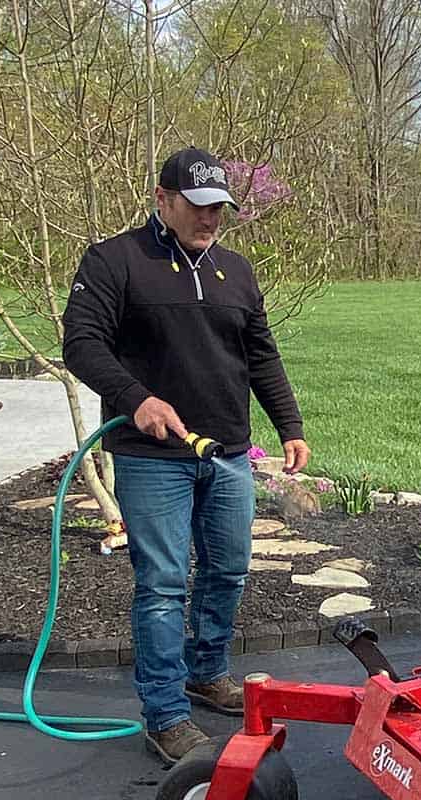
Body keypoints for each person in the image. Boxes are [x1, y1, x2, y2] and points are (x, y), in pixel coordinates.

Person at [63, 146, 310, 763]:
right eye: (198, 206)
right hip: (152, 457)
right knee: (164, 585)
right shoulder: (116, 261)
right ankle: (165, 713)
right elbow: (82, 344)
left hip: (226, 452)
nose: (210, 219)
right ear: (163, 199)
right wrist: (135, 398)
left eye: (219, 208)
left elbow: (260, 355)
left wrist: (290, 426)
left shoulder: (236, 271)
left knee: (227, 570)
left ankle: (206, 671)